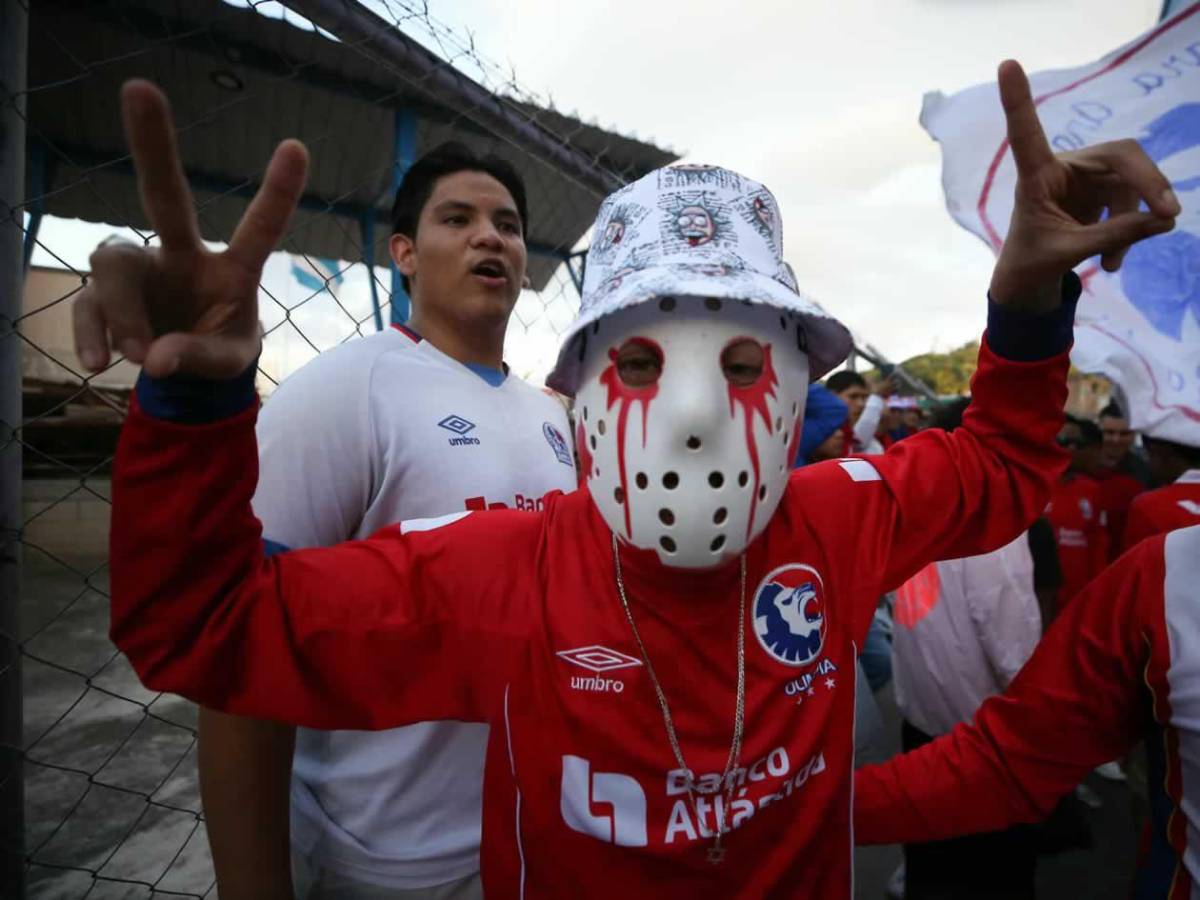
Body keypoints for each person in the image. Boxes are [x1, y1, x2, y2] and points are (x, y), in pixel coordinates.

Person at [79, 63, 1179, 897]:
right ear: (587, 392)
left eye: (742, 366)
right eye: (643, 364)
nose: (696, 418)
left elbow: (997, 461)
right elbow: (202, 627)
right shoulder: (503, 573)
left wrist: (1030, 296)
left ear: (798, 383)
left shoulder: (839, 519)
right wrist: (193, 408)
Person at [192, 144, 578, 898]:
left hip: (534, 833)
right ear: (404, 252)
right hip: (384, 861)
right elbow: (240, 664)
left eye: (507, 224)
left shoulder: (550, 415)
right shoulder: (342, 392)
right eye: (457, 219)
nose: (489, 237)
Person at [855, 523, 1200, 899]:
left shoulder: (931, 524)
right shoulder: (1160, 574)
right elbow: (1012, 736)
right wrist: (825, 809)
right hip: (965, 751)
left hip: (935, 732)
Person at [888, 399, 1043, 899]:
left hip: (921, 724)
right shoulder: (994, 528)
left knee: (931, 868)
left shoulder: (906, 513)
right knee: (992, 876)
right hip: (985, 741)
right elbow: (1014, 650)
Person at [1045, 416, 1108, 609]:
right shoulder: (1033, 489)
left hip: (1078, 599)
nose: (1070, 449)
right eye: (1063, 442)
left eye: (1077, 444)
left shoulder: (1092, 490)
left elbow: (1099, 545)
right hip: (1042, 596)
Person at [1121, 435, 1200, 550]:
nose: (1148, 462)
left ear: (1162, 453)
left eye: (1149, 454)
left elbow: (1137, 564)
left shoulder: (1148, 506)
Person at [1095, 400, 1146, 557]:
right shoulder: (1080, 467)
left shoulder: (1146, 473)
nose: (1116, 440)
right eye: (1109, 432)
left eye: (1124, 434)